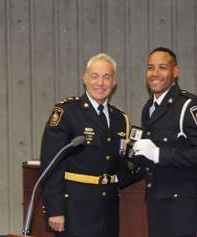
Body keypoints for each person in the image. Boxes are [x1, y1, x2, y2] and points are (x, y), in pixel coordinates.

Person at [40, 53, 131, 237]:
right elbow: (52, 163)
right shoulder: (67, 111)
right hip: (74, 210)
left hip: (108, 210)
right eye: (95, 76)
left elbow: (119, 169)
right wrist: (55, 209)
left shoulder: (121, 119)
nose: (101, 83)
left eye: (107, 77)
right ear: (85, 78)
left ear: (114, 82)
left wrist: (139, 159)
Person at [132, 47, 197, 237]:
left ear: (175, 72)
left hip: (184, 214)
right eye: (150, 68)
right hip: (158, 210)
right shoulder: (149, 108)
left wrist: (158, 154)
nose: (155, 74)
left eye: (162, 67)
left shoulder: (189, 106)